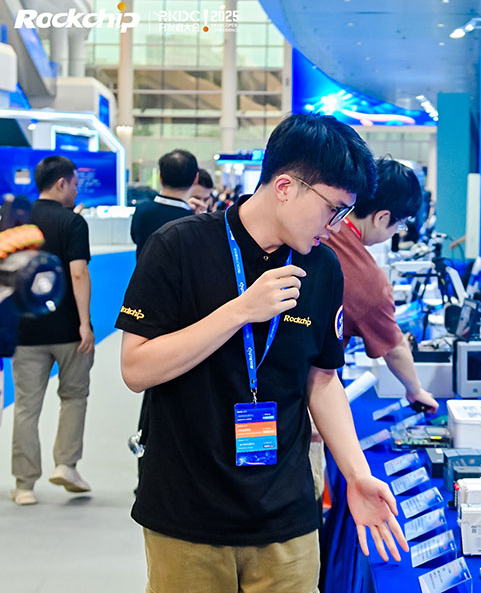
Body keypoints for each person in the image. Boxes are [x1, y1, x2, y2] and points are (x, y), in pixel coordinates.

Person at [115, 113, 407, 592]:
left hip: (285, 514)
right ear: (286, 187)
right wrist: (239, 312)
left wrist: (356, 474)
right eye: (332, 210)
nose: (335, 227)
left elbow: (323, 379)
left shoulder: (322, 267)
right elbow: (135, 368)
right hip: (187, 510)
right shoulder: (178, 246)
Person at [10, 155, 94, 506]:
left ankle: (24, 485)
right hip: (68, 330)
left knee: (26, 406)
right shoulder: (72, 223)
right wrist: (85, 322)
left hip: (24, 329)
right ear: (62, 183)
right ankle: (66, 465)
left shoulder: (16, 221)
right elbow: (78, 273)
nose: (76, 190)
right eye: (74, 183)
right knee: (73, 397)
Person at [324, 158, 438, 412]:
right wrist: (416, 391)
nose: (398, 231)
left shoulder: (321, 223)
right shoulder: (369, 281)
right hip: (307, 390)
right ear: (382, 217)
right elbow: (394, 348)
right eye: (400, 224)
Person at [130, 149, 198, 258]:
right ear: (196, 178)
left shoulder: (141, 210)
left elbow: (135, 239)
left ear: (160, 177)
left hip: (144, 269)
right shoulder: (193, 221)